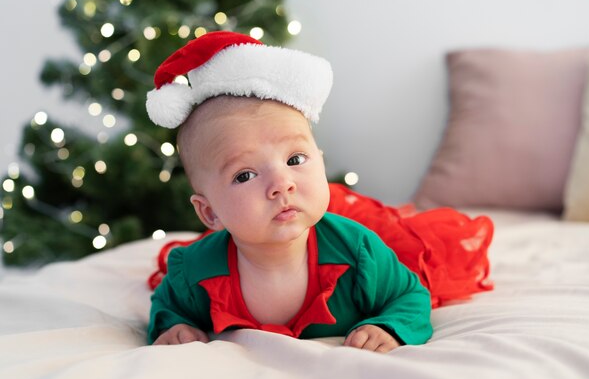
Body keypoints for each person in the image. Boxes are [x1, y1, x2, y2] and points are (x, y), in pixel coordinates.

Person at [145, 31, 492, 352]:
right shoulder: (193, 272)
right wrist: (175, 326)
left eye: (295, 158)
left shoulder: (358, 254)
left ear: (320, 162)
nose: (282, 183)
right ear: (209, 213)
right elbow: (166, 306)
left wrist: (390, 326)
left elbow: (410, 295)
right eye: (245, 175)